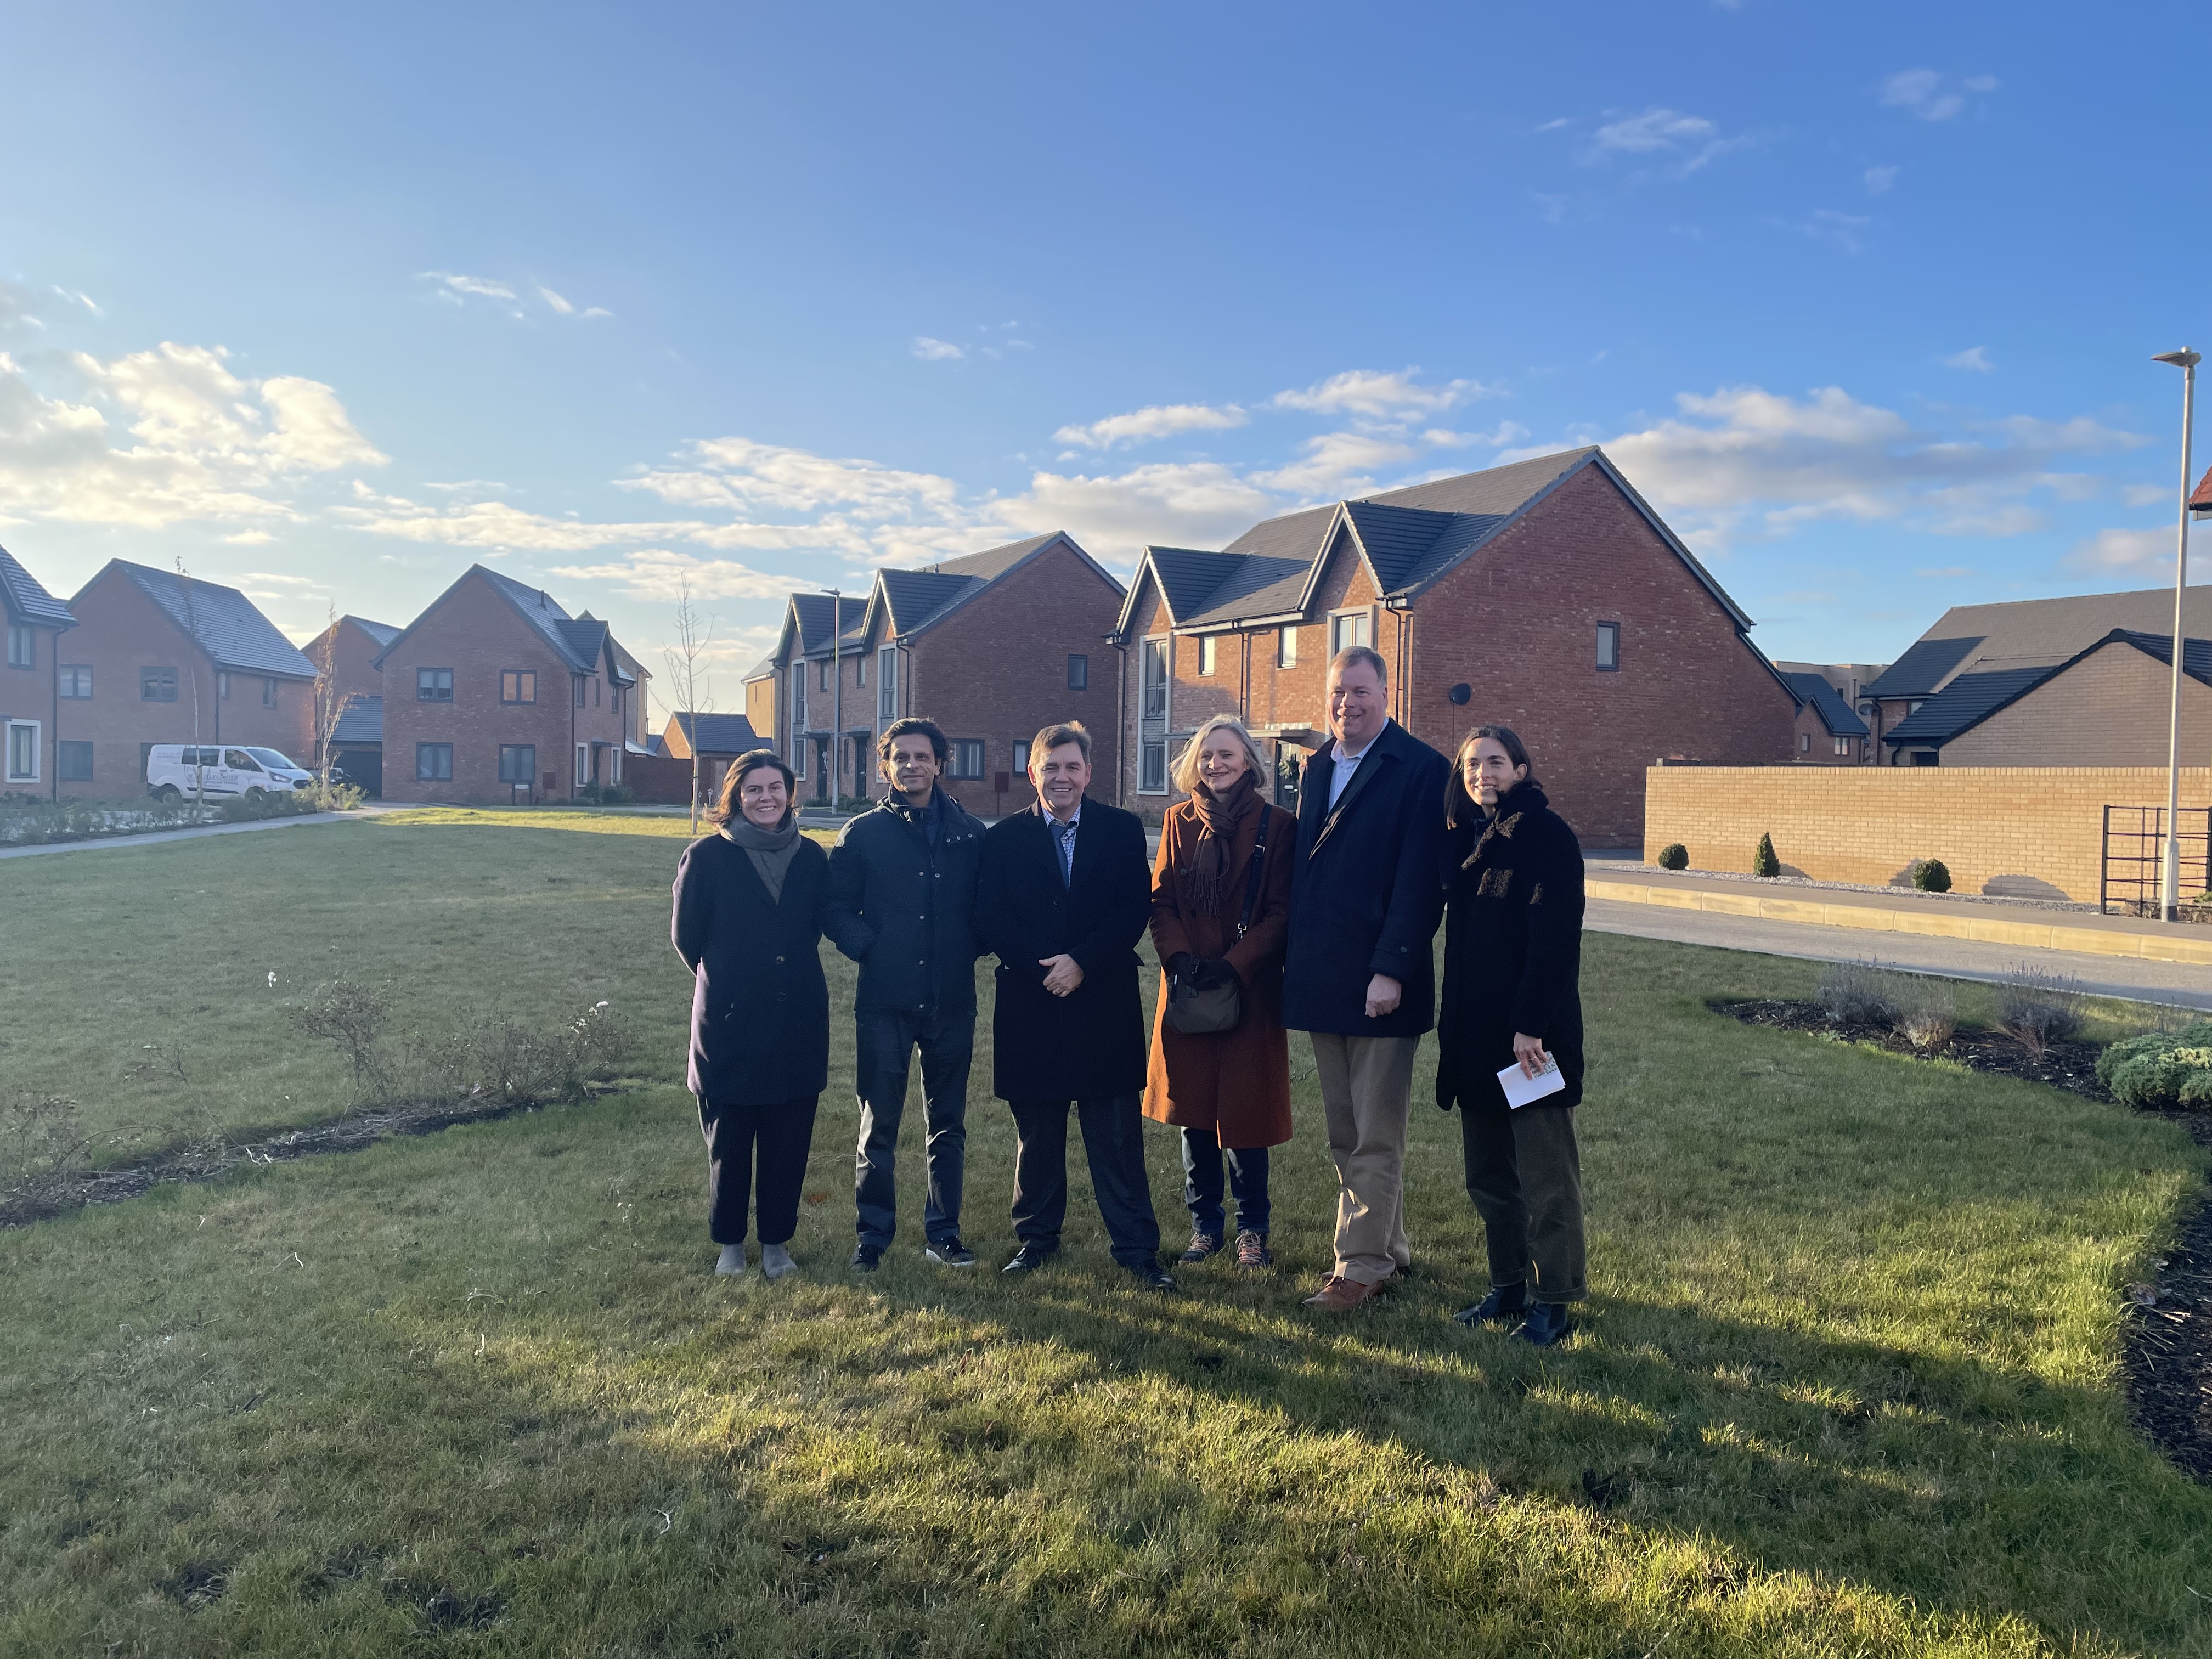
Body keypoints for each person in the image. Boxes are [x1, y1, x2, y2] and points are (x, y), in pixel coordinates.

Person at [974, 721, 1173, 1289]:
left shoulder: (1119, 829)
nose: (1061, 777)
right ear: (1032, 773)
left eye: (1072, 767)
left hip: (1101, 996)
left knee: (1114, 1134)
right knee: (1037, 1132)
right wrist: (1045, 962)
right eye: (1050, 767)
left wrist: (1082, 961)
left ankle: (1136, 1248)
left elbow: (1131, 908)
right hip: (1029, 998)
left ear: (1089, 773)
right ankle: (1036, 1239)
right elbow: (991, 915)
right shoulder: (1003, 838)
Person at [1280, 645, 1448, 1311]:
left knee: (1376, 1132)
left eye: (1360, 692)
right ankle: (1392, 1245)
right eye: (1338, 692)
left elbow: (1419, 883)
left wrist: (1391, 970)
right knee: (1345, 1132)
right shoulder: (1318, 765)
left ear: (1387, 695)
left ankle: (1361, 1267)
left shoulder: (1421, 769)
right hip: (1323, 978)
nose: (1347, 703)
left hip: (1382, 983)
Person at [1437, 725, 1588, 1345]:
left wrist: (1531, 1027)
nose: (1483, 774)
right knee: (1490, 1179)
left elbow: (1555, 942)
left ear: (1522, 770)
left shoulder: (1547, 838)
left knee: (1546, 1180)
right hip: (1475, 1042)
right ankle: (1507, 1288)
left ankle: (1553, 1301)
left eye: (1496, 763)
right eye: (1472, 765)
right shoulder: (1468, 842)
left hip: (1530, 1042)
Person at [825, 718, 986, 1272]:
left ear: (940, 764)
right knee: (879, 1122)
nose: (912, 765)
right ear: (885, 765)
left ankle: (944, 1233)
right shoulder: (862, 834)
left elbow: (990, 907)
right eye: (901, 757)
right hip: (884, 1001)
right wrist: (871, 948)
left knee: (948, 1124)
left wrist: (971, 944)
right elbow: (836, 908)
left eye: (923, 756)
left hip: (952, 1001)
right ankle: (873, 1236)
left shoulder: (971, 834)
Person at [670, 749, 830, 1280]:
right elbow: (686, 939)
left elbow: (810, 929)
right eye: (754, 790)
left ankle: (778, 1245)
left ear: (791, 795)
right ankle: (731, 1247)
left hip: (797, 1023)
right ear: (736, 796)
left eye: (775, 789)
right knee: (731, 1142)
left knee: (788, 1141)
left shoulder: (811, 858)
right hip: (729, 1025)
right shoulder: (707, 858)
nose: (766, 798)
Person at [1143, 715, 1295, 1268]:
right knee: (1196, 1116)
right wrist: (1180, 959)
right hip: (1187, 991)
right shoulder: (1176, 820)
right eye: (1207, 755)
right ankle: (1205, 1226)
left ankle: (1252, 1229)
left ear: (1250, 761)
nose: (1216, 764)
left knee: (1246, 1115)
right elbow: (1160, 903)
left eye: (1227, 754)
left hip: (1247, 992)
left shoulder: (1278, 824)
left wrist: (1234, 965)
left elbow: (1281, 914)